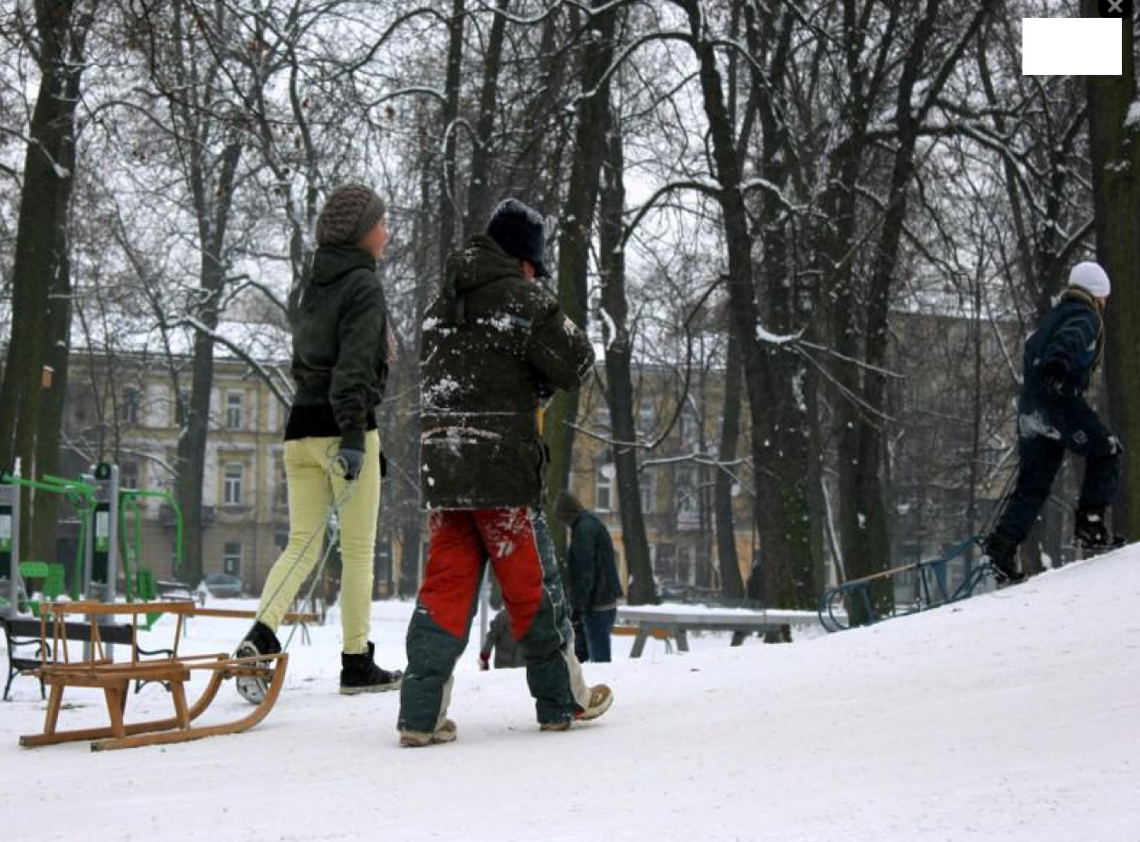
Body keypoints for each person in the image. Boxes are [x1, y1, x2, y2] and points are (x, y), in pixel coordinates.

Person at [397, 198, 613, 747]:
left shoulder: (439, 304)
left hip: (444, 471)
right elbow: (576, 360)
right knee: (531, 589)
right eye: (535, 267)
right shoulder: (521, 300)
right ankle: (561, 702)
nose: (535, 276)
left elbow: (470, 376)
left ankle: (419, 716)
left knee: (443, 589)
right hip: (500, 472)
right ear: (523, 261)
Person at [234, 184, 402, 701]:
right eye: (381, 224)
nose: (387, 233)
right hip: (342, 431)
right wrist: (355, 435)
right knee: (357, 552)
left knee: (303, 542)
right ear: (362, 234)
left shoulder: (315, 285)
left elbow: (309, 361)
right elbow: (352, 369)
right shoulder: (363, 286)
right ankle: (356, 662)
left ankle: (259, 637)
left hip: (299, 429)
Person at [982, 261, 1124, 585]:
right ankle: (1090, 525)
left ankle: (1002, 547)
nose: (1105, 304)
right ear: (1097, 293)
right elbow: (1071, 339)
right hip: (1058, 401)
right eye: (1105, 297)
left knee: (1034, 483)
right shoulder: (1085, 315)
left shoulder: (1053, 316)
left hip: (1030, 410)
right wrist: (1059, 366)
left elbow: (1034, 348)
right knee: (1107, 450)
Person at [554, 490, 622, 663]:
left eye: (562, 519)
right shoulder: (590, 523)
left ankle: (602, 689)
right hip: (603, 600)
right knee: (594, 656)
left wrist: (578, 606)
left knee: (600, 661)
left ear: (567, 514)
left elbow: (585, 571)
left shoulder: (583, 529)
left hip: (596, 604)